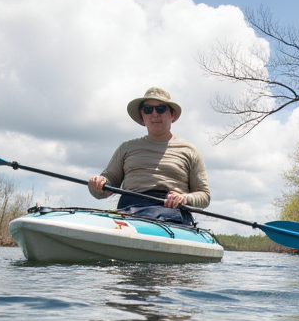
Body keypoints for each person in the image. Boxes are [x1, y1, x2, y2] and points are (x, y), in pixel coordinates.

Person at [88, 87, 211, 225]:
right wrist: (98, 184)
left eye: (160, 109)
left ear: (172, 114)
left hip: (172, 215)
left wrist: (184, 199)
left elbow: (204, 196)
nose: (154, 114)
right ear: (142, 115)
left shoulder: (189, 150)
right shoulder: (126, 148)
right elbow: (105, 187)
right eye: (148, 109)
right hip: (129, 212)